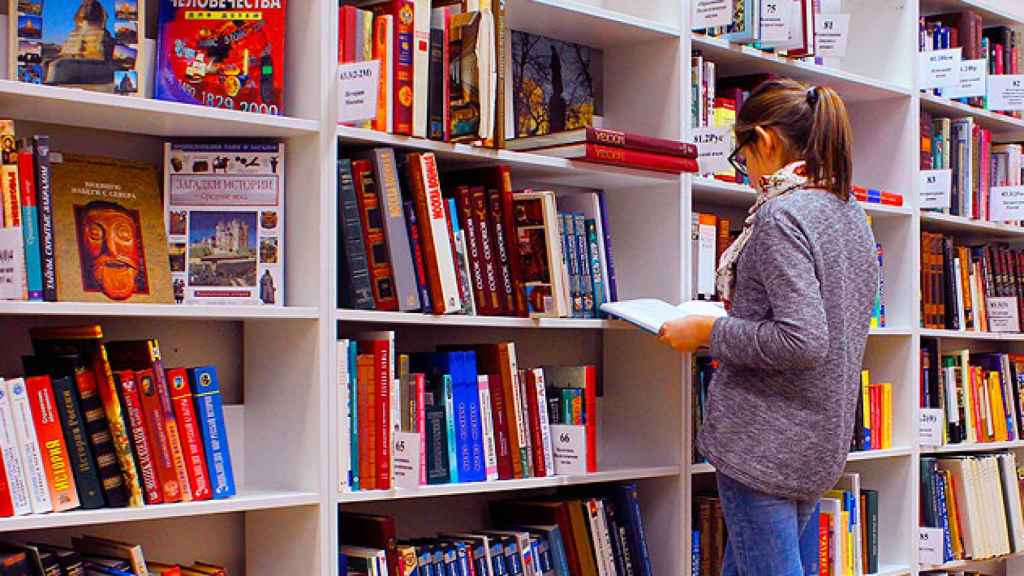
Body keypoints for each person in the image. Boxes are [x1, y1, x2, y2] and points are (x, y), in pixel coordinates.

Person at [658, 79, 878, 574]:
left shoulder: (782, 216)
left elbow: (802, 340)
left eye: (743, 154)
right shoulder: (851, 215)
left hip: (765, 444)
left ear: (766, 141)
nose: (745, 170)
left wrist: (706, 332)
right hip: (816, 439)